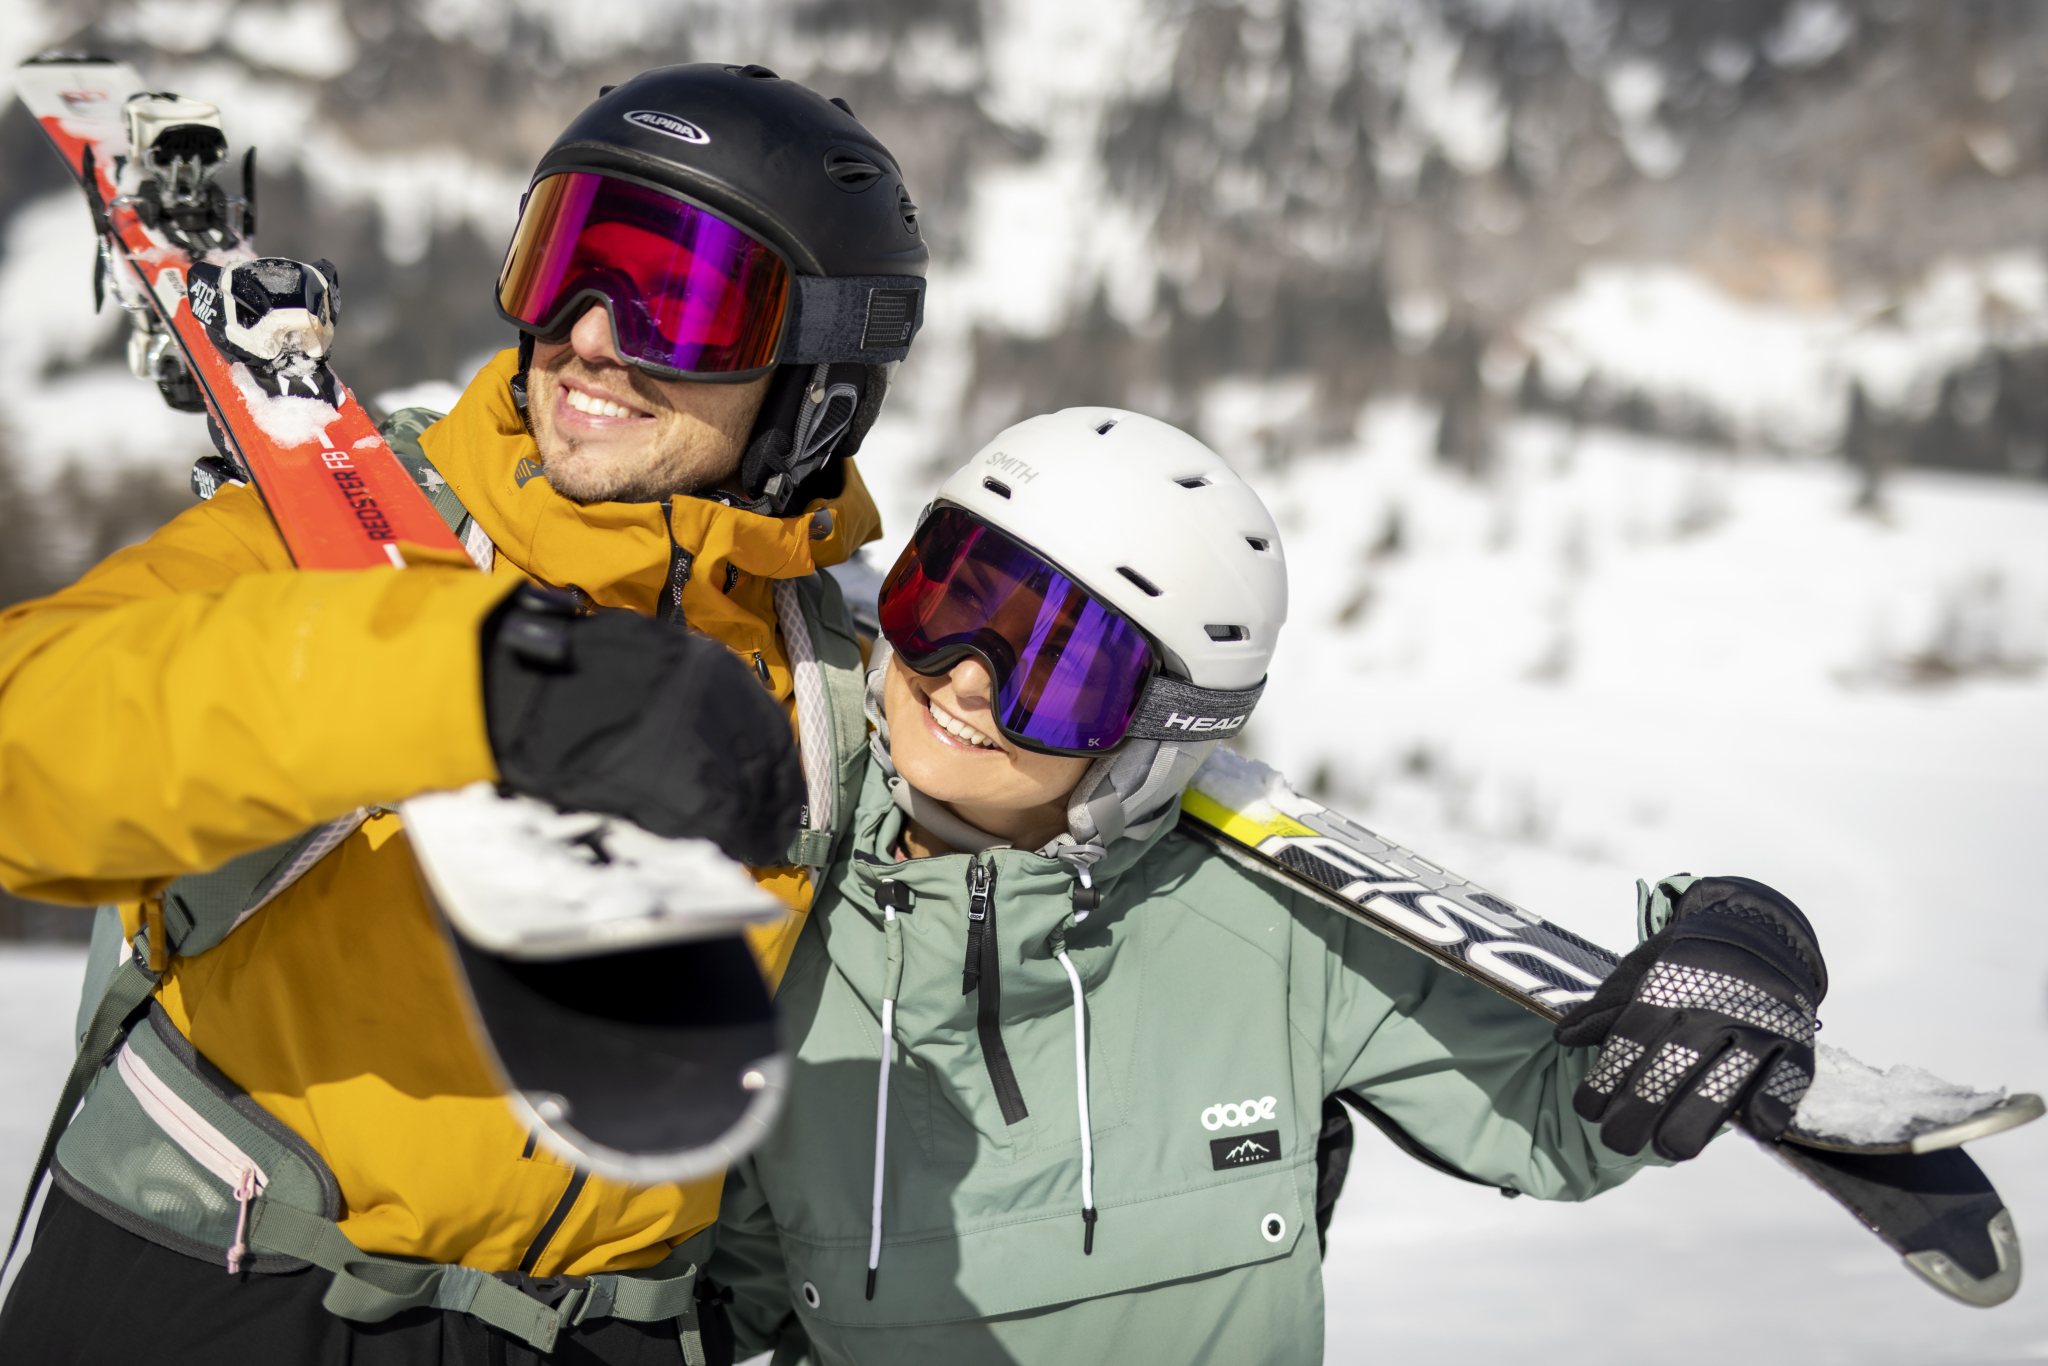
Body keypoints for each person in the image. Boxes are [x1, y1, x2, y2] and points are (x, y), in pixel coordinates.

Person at [0, 63, 924, 1364]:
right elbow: (23, 752)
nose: (592, 333)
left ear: (817, 379)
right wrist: (474, 679)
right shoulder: (339, 527)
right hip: (219, 1292)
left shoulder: (832, 681)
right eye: (570, 261)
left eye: (682, 297)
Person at [703, 407, 1830, 1365]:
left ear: (1157, 729)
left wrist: (1733, 936)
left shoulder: (1274, 931)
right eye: (950, 601)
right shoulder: (779, 907)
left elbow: (1560, 1116)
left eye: (1052, 668)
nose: (960, 678)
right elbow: (725, 1271)